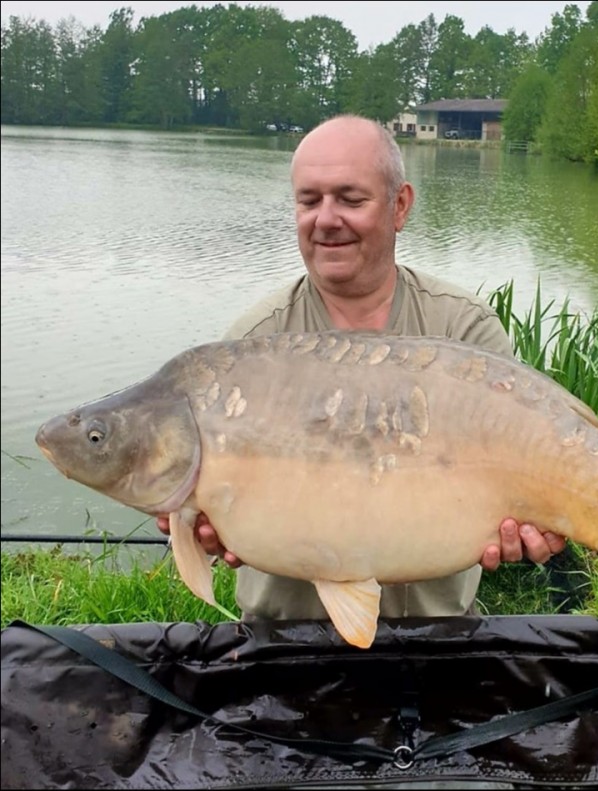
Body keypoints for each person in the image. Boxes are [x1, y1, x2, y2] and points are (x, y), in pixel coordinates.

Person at [158, 114, 566, 622]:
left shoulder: (463, 329)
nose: (326, 219)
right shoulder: (252, 344)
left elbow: (526, 473)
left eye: (350, 200)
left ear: (400, 206)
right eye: (309, 201)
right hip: (280, 639)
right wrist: (203, 526)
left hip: (438, 637)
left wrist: (533, 526)